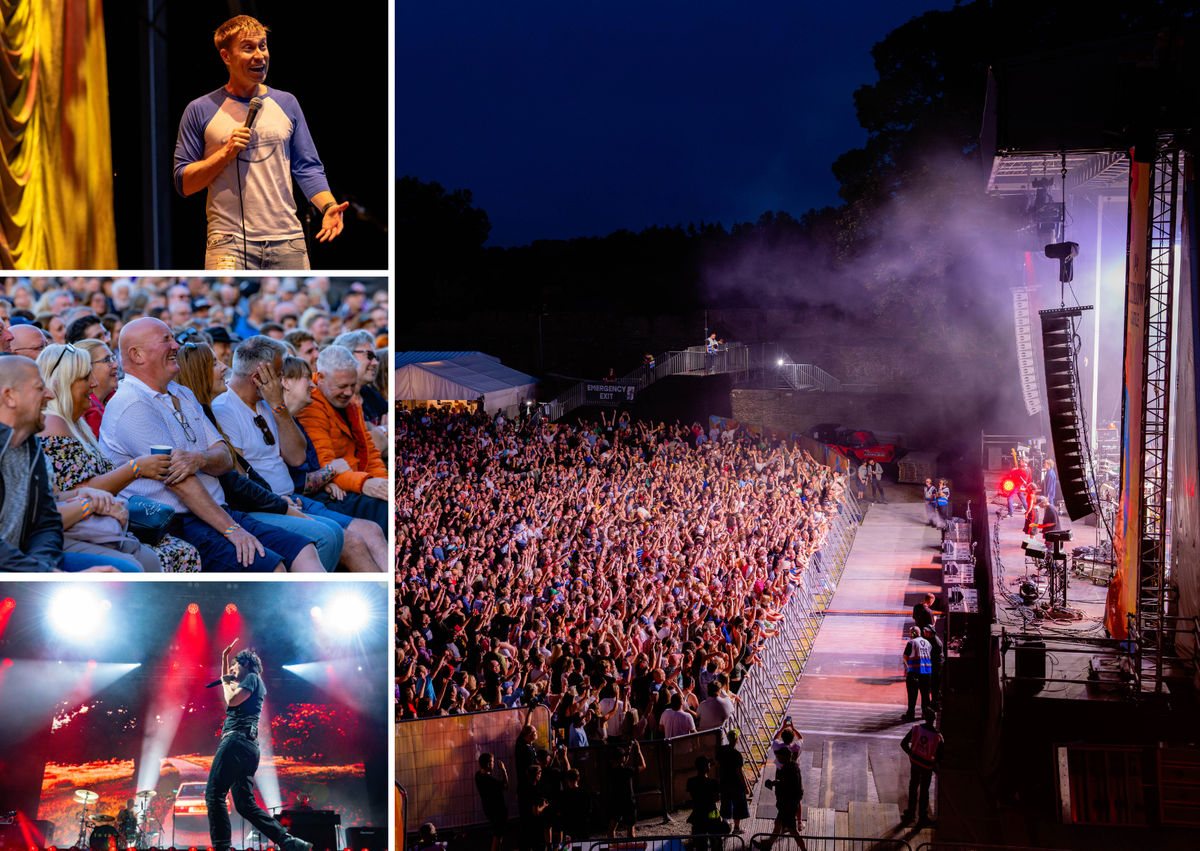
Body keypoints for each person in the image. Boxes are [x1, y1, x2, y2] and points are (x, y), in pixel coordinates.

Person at [99, 318, 321, 572]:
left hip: (218, 510)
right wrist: (233, 530)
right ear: (136, 354)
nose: (177, 346)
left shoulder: (181, 392)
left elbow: (225, 458)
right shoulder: (132, 405)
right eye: (166, 340)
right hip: (179, 523)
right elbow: (181, 482)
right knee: (273, 569)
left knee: (305, 551)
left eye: (174, 338)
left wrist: (201, 459)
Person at [173, 15, 348, 270]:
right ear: (226, 57)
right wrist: (226, 153)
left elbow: (307, 167)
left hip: (288, 240)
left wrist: (329, 206)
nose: (259, 55)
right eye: (248, 48)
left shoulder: (287, 103)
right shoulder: (200, 109)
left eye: (263, 46)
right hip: (228, 241)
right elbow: (184, 183)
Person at [210, 336, 385, 571]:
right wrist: (277, 502)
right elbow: (239, 476)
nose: (282, 381)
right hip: (266, 507)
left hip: (296, 498)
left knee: (371, 530)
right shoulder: (224, 409)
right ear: (258, 377)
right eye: (280, 374)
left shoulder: (269, 405)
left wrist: (278, 407)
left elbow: (296, 457)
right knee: (350, 542)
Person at [36, 342, 201, 572]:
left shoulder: (73, 423)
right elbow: (83, 487)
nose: (93, 383)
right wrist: (135, 469)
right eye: (85, 377)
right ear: (64, 383)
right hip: (81, 532)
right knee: (178, 553)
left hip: (100, 525)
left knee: (183, 549)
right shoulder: (54, 423)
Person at [206, 640, 312, 851]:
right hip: (246, 747)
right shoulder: (249, 681)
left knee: (214, 794)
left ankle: (222, 847)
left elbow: (232, 701)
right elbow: (232, 686)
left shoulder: (253, 679)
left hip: (236, 742)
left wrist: (226, 683)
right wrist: (225, 659)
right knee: (245, 805)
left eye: (236, 666)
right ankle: (289, 842)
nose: (232, 671)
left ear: (245, 665)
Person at [295, 345, 388, 530]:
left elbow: (370, 452)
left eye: (352, 385)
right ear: (320, 377)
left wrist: (381, 483)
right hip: (338, 488)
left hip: (356, 479)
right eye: (341, 386)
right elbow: (325, 464)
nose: (348, 392)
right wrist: (365, 483)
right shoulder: (310, 403)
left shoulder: (352, 401)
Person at [754, 746, 807, 851]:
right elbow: (789, 784)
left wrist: (775, 783)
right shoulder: (792, 767)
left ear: (784, 756)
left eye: (779, 755)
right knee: (778, 823)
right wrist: (776, 783)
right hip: (788, 804)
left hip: (788, 805)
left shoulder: (789, 769)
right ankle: (768, 845)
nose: (777, 757)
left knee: (793, 830)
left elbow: (789, 786)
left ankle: (804, 849)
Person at [899, 710, 943, 826]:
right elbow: (939, 756)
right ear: (934, 719)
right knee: (924, 791)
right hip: (927, 767)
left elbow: (903, 744)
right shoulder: (937, 737)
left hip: (915, 764)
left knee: (913, 788)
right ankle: (922, 817)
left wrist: (911, 754)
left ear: (924, 717)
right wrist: (934, 766)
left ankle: (910, 814)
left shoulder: (916, 729)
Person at [606, 741, 644, 839]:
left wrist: (628, 752)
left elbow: (621, 763)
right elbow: (643, 766)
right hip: (628, 802)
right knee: (630, 832)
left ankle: (611, 847)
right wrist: (639, 752)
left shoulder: (611, 771)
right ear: (621, 759)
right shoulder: (627, 771)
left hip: (616, 801)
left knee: (611, 829)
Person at [715, 729, 750, 835]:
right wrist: (746, 786)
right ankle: (736, 828)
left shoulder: (721, 750)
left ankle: (725, 825)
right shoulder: (737, 755)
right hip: (736, 784)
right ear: (736, 740)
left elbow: (717, 763)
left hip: (724, 781)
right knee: (738, 805)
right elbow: (739, 772)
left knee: (725, 803)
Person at [686, 756, 725, 849]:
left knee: (700, 843)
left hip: (698, 813)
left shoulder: (691, 781)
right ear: (707, 768)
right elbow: (716, 798)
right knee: (716, 841)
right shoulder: (713, 783)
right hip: (712, 813)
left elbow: (691, 796)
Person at [475, 753, 509, 851]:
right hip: (498, 811)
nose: (494, 764)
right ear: (488, 764)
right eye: (492, 762)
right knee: (498, 836)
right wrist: (504, 770)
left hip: (489, 809)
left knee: (497, 834)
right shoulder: (490, 781)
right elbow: (506, 786)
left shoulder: (478, 776)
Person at [902, 627, 933, 722]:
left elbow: (905, 656)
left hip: (914, 672)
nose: (910, 635)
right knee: (925, 695)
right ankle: (925, 714)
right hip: (926, 672)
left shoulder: (912, 643)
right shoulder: (928, 643)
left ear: (914, 633)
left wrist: (909, 667)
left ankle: (910, 715)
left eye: (911, 633)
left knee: (912, 695)